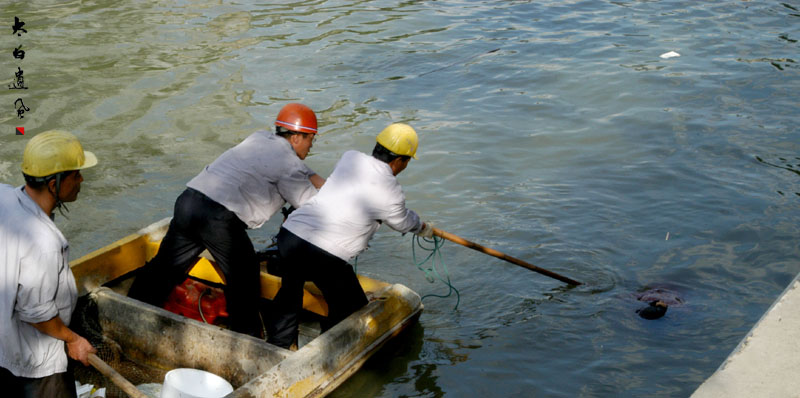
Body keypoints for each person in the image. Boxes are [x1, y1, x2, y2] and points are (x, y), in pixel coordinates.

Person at [128, 103, 325, 338]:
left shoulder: (260, 138)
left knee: (165, 266)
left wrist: (320, 181)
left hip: (189, 202)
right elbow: (311, 205)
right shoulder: (289, 165)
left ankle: (129, 308)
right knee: (245, 275)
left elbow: (300, 170)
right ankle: (246, 341)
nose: (311, 146)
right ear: (296, 138)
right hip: (217, 219)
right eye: (310, 139)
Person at [267, 123, 433, 349]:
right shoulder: (390, 190)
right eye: (407, 162)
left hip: (290, 236)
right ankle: (326, 353)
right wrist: (423, 228)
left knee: (290, 293)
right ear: (400, 161)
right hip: (321, 253)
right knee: (350, 308)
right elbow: (402, 221)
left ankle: (278, 345)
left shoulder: (350, 158)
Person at [0, 130, 98, 398]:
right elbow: (37, 313)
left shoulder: (5, 197)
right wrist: (73, 339)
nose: (81, 180)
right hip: (37, 359)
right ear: (54, 184)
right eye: (75, 174)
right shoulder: (44, 243)